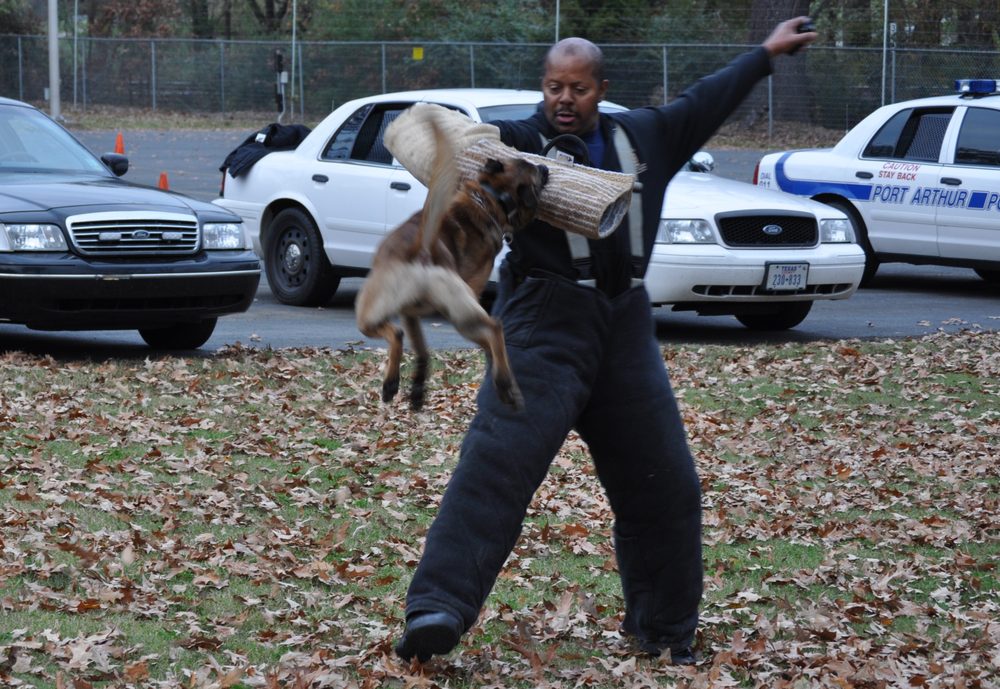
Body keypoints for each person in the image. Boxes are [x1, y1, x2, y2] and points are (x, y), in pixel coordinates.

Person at [394, 17, 817, 665]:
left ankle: (666, 627)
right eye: (554, 86)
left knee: (665, 484)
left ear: (601, 90)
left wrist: (764, 54)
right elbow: (431, 139)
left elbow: (705, 98)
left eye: (579, 88)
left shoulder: (645, 136)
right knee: (495, 467)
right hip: (541, 319)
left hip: (624, 324)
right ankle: (437, 609)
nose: (565, 99)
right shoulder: (515, 141)